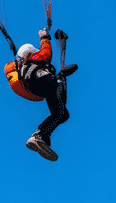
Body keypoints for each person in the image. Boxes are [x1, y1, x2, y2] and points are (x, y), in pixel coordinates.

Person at [17, 28, 77, 161]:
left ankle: (40, 136)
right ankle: (40, 135)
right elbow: (46, 55)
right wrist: (44, 38)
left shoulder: (25, 66)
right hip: (40, 80)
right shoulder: (31, 59)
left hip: (40, 87)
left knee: (62, 113)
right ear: (29, 53)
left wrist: (61, 77)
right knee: (56, 82)